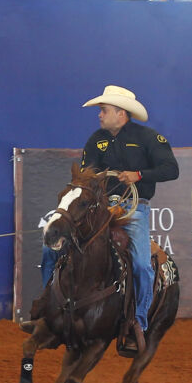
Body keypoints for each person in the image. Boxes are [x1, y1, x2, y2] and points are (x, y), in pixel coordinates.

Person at [39, 85, 178, 355]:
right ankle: (49, 310)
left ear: (120, 113)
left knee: (139, 263)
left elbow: (171, 169)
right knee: (51, 247)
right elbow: (85, 174)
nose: (99, 116)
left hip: (133, 208)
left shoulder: (148, 138)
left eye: (103, 111)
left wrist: (138, 175)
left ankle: (138, 322)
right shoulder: (96, 140)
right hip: (99, 209)